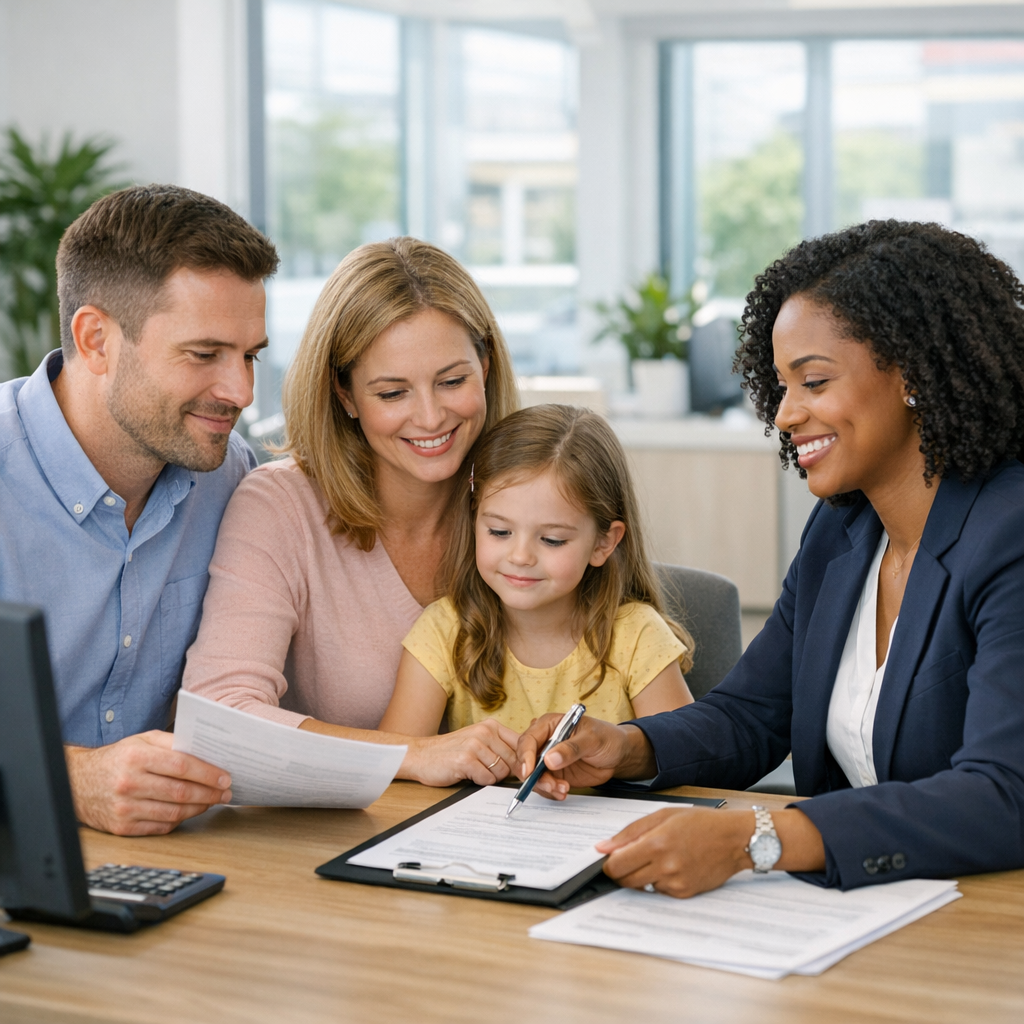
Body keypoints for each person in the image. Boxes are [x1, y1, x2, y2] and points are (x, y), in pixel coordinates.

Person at [515, 220, 1024, 897]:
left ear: (913, 372)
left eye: (813, 381)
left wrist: (758, 838)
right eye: (781, 385)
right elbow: (753, 715)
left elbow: (1003, 795)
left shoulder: (1009, 534)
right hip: (859, 913)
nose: (785, 415)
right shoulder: (841, 532)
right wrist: (625, 748)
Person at [184, 237, 524, 785]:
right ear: (344, 394)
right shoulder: (280, 508)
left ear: (485, 366)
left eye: (453, 381)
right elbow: (223, 720)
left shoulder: (531, 494)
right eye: (393, 394)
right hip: (329, 845)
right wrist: (412, 754)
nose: (432, 416)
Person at [0, 184, 280, 835]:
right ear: (96, 339)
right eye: (204, 354)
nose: (240, 391)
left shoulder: (229, 473)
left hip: (167, 869)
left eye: (251, 356)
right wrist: (69, 780)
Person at [379, 404, 694, 737]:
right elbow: (396, 760)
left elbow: (690, 766)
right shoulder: (444, 632)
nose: (520, 556)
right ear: (474, 519)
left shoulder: (637, 636)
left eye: (552, 540)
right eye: (499, 532)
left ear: (604, 543)